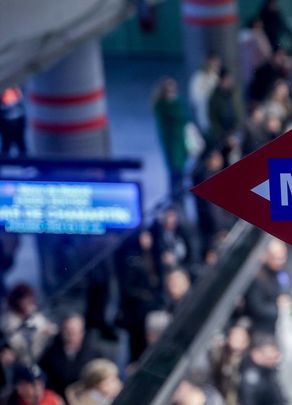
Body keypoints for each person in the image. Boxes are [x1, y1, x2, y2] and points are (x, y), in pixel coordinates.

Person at [116, 230, 164, 362]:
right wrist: (145, 295)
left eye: (148, 237)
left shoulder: (154, 255)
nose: (147, 240)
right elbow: (127, 287)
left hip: (152, 307)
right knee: (138, 341)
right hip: (137, 312)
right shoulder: (132, 260)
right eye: (144, 237)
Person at [38, 314, 101, 397]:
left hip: (83, 397)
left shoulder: (94, 354)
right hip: (56, 396)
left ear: (82, 332)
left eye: (73, 331)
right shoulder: (50, 352)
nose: (69, 334)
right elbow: (43, 376)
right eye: (67, 330)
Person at [1, 284, 57, 365]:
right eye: (24, 301)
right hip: (24, 361)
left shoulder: (33, 313)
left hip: (43, 354)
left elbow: (47, 327)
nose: (27, 304)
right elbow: (18, 346)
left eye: (29, 300)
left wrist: (49, 331)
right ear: (17, 302)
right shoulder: (9, 321)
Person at [244, 239, 290, 335]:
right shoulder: (257, 278)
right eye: (276, 258)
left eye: (283, 257)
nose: (281, 262)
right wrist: (279, 310)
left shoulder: (279, 271)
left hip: (278, 321)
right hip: (262, 328)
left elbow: (284, 287)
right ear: (266, 256)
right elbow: (257, 307)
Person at [153, 78, 189, 199]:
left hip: (180, 143)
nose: (172, 93)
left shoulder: (178, 104)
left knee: (180, 170)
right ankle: (175, 195)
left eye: (173, 90)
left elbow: (185, 119)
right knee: (174, 171)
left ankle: (179, 194)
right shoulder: (162, 106)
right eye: (169, 91)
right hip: (171, 144)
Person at [208, 320, 250, 405]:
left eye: (240, 337)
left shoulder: (248, 362)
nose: (235, 339)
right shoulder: (221, 353)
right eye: (233, 335)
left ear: (247, 341)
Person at [238, 334, 285, 405]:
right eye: (269, 358)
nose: (275, 360)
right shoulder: (252, 378)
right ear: (256, 354)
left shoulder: (269, 372)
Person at [208, 69, 243, 150]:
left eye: (230, 79)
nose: (230, 81)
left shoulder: (235, 93)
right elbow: (213, 119)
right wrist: (223, 136)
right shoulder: (214, 97)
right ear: (221, 80)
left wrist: (238, 129)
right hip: (222, 136)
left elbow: (240, 111)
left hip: (236, 131)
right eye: (227, 79)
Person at [189, 54, 221, 134]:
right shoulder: (198, 78)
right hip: (204, 117)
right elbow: (194, 98)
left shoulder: (217, 78)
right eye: (214, 63)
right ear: (208, 62)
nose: (216, 66)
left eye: (217, 64)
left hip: (219, 118)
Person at [0, 86, 27, 157]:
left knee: (20, 142)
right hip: (5, 122)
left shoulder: (17, 91)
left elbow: (20, 102)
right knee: (6, 142)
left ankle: (23, 158)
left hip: (18, 121)